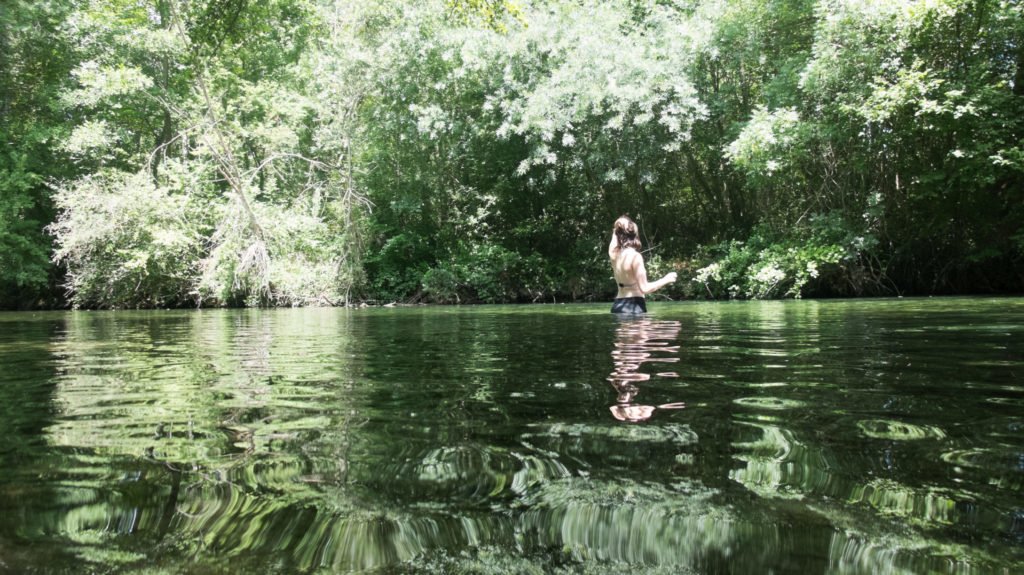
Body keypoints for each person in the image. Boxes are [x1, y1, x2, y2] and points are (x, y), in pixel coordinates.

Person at [608, 215, 677, 314]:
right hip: (634, 306)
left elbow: (615, 235)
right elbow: (645, 288)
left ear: (617, 233)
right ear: (635, 235)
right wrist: (666, 279)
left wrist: (618, 228)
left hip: (617, 306)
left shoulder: (613, 255)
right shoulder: (635, 256)